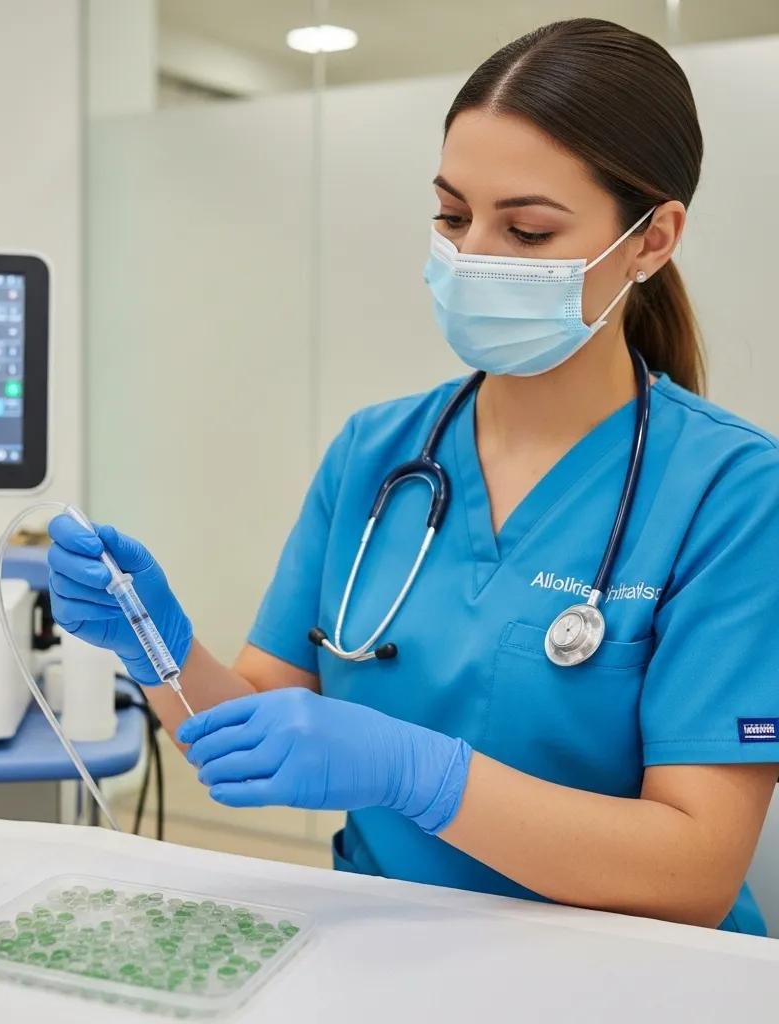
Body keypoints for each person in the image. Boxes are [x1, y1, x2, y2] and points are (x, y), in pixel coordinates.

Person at [48, 18, 779, 934]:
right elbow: (246, 735)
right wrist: (155, 646)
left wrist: (420, 774)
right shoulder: (377, 453)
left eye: (527, 228)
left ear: (651, 239)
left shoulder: (733, 492)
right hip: (378, 941)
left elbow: (695, 868)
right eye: (451, 214)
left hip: (621, 974)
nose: (473, 253)